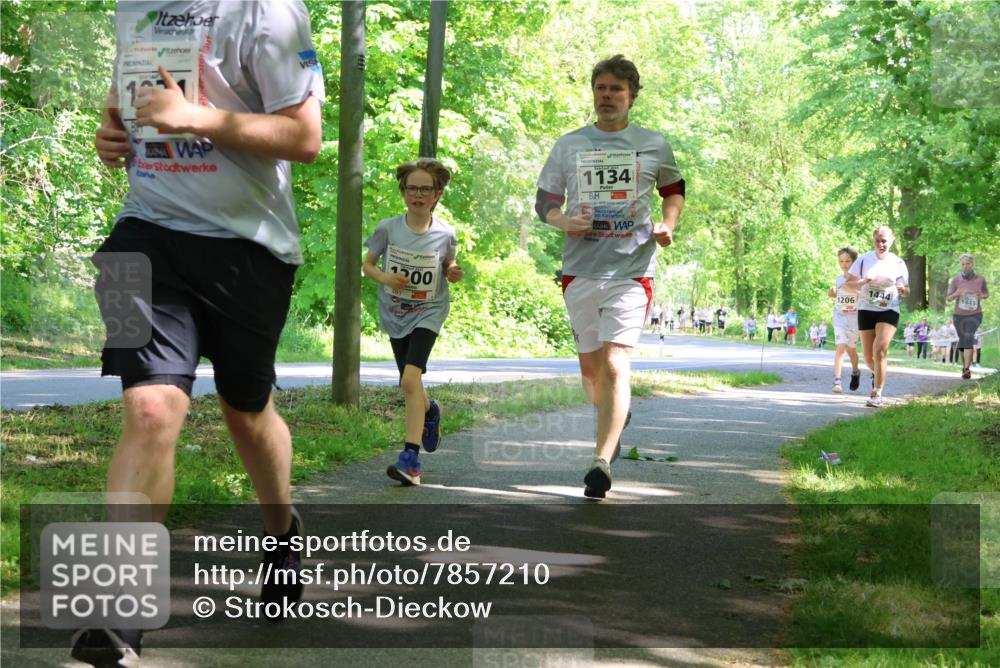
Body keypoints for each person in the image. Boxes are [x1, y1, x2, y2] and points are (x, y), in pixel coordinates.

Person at [78, 1, 324, 662]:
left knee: (246, 411)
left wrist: (195, 119)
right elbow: (134, 88)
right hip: (142, 236)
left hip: (250, 249)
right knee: (150, 406)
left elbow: (304, 137)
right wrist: (112, 127)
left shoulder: (268, 12)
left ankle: (281, 531)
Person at [536, 54, 684, 499]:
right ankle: (615, 415)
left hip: (632, 268)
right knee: (592, 370)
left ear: (632, 96)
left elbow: (673, 190)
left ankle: (601, 461)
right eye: (601, 88)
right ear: (593, 93)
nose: (607, 96)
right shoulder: (569, 145)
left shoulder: (653, 143)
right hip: (581, 268)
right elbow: (545, 202)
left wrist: (668, 224)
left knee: (617, 363)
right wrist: (564, 221)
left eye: (617, 89)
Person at [363, 159, 462, 485]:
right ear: (403, 192)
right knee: (413, 384)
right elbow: (368, 266)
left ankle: (411, 460)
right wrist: (386, 278)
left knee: (408, 381)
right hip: (395, 312)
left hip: (429, 310)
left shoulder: (445, 232)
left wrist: (453, 272)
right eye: (412, 188)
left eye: (425, 189)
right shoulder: (388, 228)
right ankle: (430, 409)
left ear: (437, 193)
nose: (417, 194)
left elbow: (448, 264)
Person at [846, 225, 910, 408]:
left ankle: (877, 393)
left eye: (884, 241)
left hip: (889, 308)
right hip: (866, 308)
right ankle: (877, 373)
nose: (881, 244)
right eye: (878, 241)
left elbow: (907, 290)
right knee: (868, 357)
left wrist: (902, 289)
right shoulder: (865, 260)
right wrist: (863, 281)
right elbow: (848, 285)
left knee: (880, 349)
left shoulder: (898, 263)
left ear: (892, 240)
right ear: (873, 241)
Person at [947, 253, 989, 380]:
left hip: (975, 313)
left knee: (969, 337)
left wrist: (982, 295)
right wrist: (956, 294)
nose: (966, 266)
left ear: (972, 264)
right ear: (961, 265)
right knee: (962, 340)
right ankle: (965, 365)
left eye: (968, 263)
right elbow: (948, 298)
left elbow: (986, 294)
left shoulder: (980, 279)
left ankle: (966, 369)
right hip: (959, 315)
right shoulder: (956, 280)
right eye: (963, 264)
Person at [828, 247, 861, 393]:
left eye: (848, 261)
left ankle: (855, 371)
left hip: (854, 317)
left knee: (851, 349)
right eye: (841, 261)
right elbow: (840, 295)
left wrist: (851, 289)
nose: (844, 264)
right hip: (840, 315)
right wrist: (834, 293)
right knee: (841, 346)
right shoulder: (838, 279)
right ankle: (837, 381)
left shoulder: (860, 278)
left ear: (854, 262)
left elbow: (863, 295)